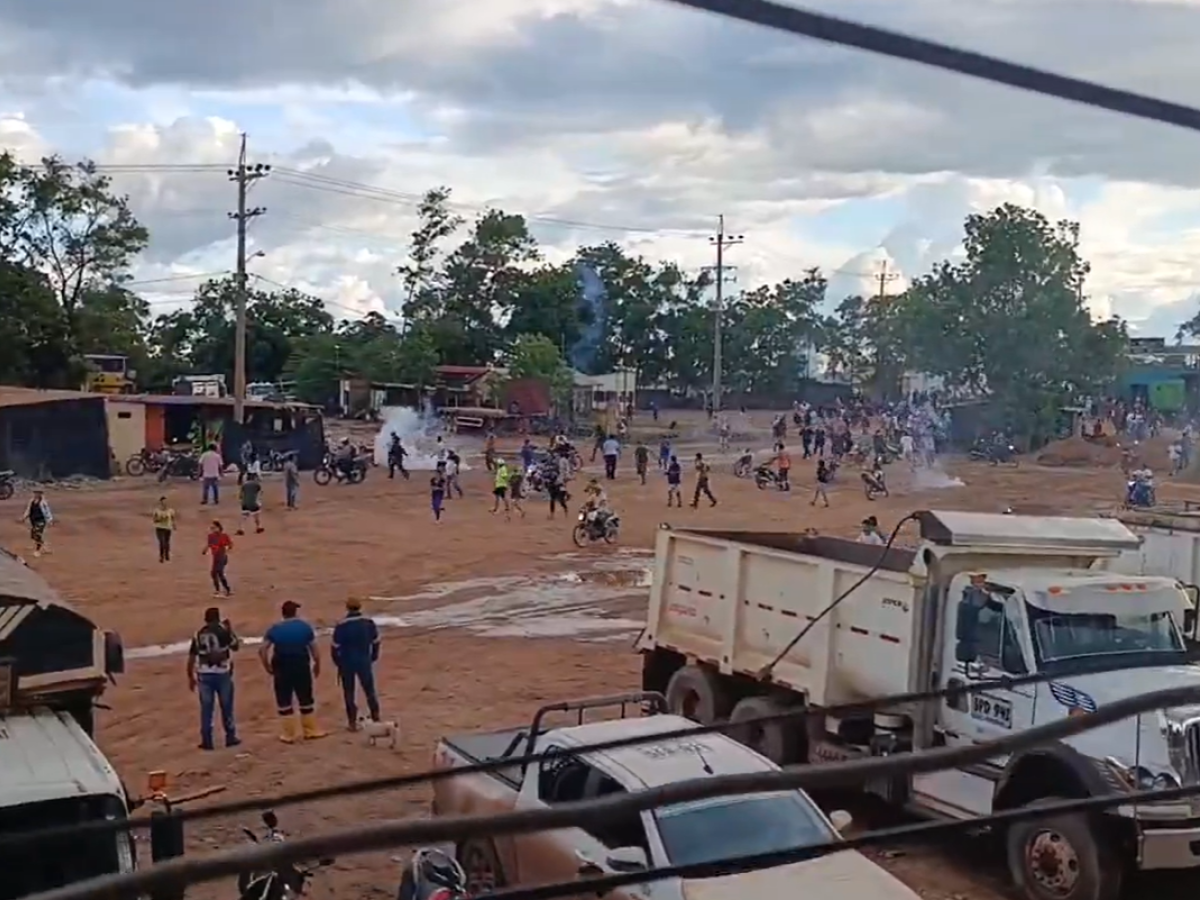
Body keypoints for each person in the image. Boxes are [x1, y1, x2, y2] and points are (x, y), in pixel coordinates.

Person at [260, 600, 326, 742]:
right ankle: (310, 730)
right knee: (305, 696)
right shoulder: (304, 627)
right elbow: (314, 649)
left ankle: (288, 734)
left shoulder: (275, 628)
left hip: (281, 666)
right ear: (295, 612)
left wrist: (267, 666)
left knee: (284, 698)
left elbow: (263, 650)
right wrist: (317, 664)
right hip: (300, 664)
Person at [186, 607, 241, 750]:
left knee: (206, 708)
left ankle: (207, 740)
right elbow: (235, 646)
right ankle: (230, 737)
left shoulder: (198, 634)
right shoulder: (223, 631)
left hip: (204, 673)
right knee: (226, 706)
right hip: (222, 673)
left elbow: (192, 657)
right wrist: (230, 629)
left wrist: (190, 676)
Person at [332, 598, 381, 730]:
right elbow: (376, 641)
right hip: (364, 660)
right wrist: (373, 656)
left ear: (347, 608)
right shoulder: (368, 623)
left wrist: (338, 663)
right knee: (369, 689)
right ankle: (375, 716)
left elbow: (335, 647)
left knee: (349, 691)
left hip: (347, 661)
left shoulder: (341, 625)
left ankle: (352, 722)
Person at [203, 520, 233, 596]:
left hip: (221, 556)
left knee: (218, 573)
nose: (212, 529)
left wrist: (226, 549)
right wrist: (205, 550)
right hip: (216, 557)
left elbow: (230, 545)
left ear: (219, 528)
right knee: (214, 573)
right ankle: (221, 589)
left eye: (214, 528)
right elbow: (209, 544)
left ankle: (225, 589)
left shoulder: (224, 536)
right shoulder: (211, 536)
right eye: (212, 528)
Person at [21, 489, 52, 557]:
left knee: (37, 534)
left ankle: (37, 550)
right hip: (33, 520)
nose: (36, 494)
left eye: (38, 493)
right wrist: (24, 517)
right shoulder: (31, 501)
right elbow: (28, 510)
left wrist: (49, 520)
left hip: (41, 520)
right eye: (35, 493)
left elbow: (47, 511)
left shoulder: (43, 502)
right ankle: (44, 545)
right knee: (33, 535)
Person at [153, 495, 176, 562]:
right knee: (162, 542)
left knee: (167, 542)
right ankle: (161, 556)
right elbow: (154, 520)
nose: (165, 504)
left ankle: (167, 554)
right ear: (161, 503)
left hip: (167, 528)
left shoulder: (171, 511)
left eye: (166, 502)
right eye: (163, 502)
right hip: (159, 528)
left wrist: (174, 525)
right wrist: (159, 519)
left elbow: (173, 518)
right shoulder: (157, 511)